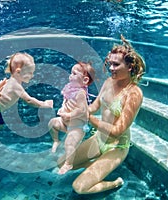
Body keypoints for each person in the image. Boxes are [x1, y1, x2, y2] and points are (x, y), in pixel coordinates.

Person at [59, 35, 145, 194]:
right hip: (99, 138)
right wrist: (73, 112)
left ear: (130, 67)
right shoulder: (108, 83)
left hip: (116, 146)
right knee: (62, 163)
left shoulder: (134, 94)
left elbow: (117, 130)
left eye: (116, 64)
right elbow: (94, 107)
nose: (111, 68)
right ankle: (94, 168)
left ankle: (115, 183)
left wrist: (87, 117)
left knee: (79, 188)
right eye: (110, 63)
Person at [48, 62, 95, 175]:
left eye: (74, 73)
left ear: (84, 80)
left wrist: (69, 115)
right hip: (65, 124)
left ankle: (69, 163)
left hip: (77, 127)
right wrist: (63, 108)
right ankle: (56, 140)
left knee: (69, 144)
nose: (70, 75)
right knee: (52, 123)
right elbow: (67, 100)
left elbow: (82, 110)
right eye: (71, 73)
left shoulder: (80, 93)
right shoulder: (70, 89)